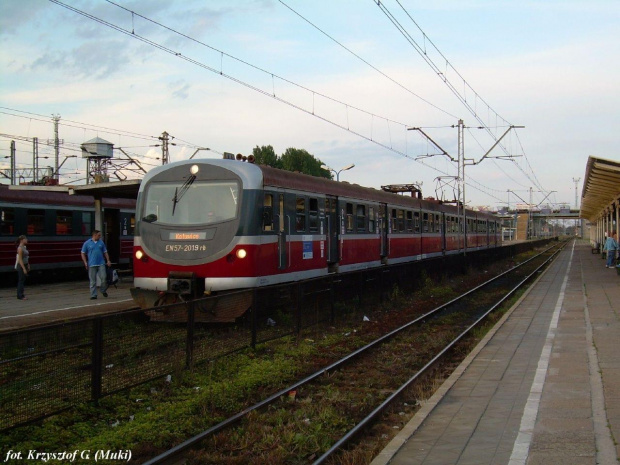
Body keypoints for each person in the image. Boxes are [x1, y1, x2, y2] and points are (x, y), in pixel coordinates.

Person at [81, 230, 112, 300]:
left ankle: (103, 289)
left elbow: (105, 252)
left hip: (101, 263)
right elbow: (82, 253)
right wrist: (85, 262)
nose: (100, 236)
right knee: (92, 281)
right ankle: (93, 295)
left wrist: (108, 260)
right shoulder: (87, 243)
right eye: (99, 235)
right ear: (94, 235)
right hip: (91, 264)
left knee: (104, 278)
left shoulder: (101, 243)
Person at [15, 235, 30, 300]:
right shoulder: (20, 248)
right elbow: (20, 259)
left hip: (25, 265)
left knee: (22, 280)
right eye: (25, 239)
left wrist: (28, 264)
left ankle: (21, 294)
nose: (27, 240)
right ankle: (20, 295)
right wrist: (24, 268)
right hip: (21, 266)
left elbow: (26, 257)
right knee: (21, 280)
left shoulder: (24, 247)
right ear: (22, 240)